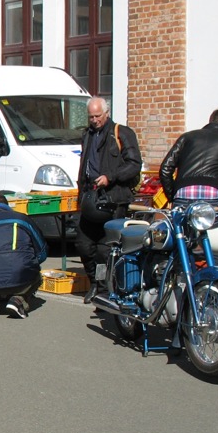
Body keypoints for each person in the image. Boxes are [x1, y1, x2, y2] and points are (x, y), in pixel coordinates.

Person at [76, 97, 142, 303]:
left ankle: (103, 288)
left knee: (105, 250)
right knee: (83, 245)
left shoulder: (122, 133)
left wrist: (110, 177)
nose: (94, 120)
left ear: (107, 113)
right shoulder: (87, 134)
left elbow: (134, 164)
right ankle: (95, 283)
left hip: (114, 200)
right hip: (90, 198)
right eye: (91, 117)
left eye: (98, 116)